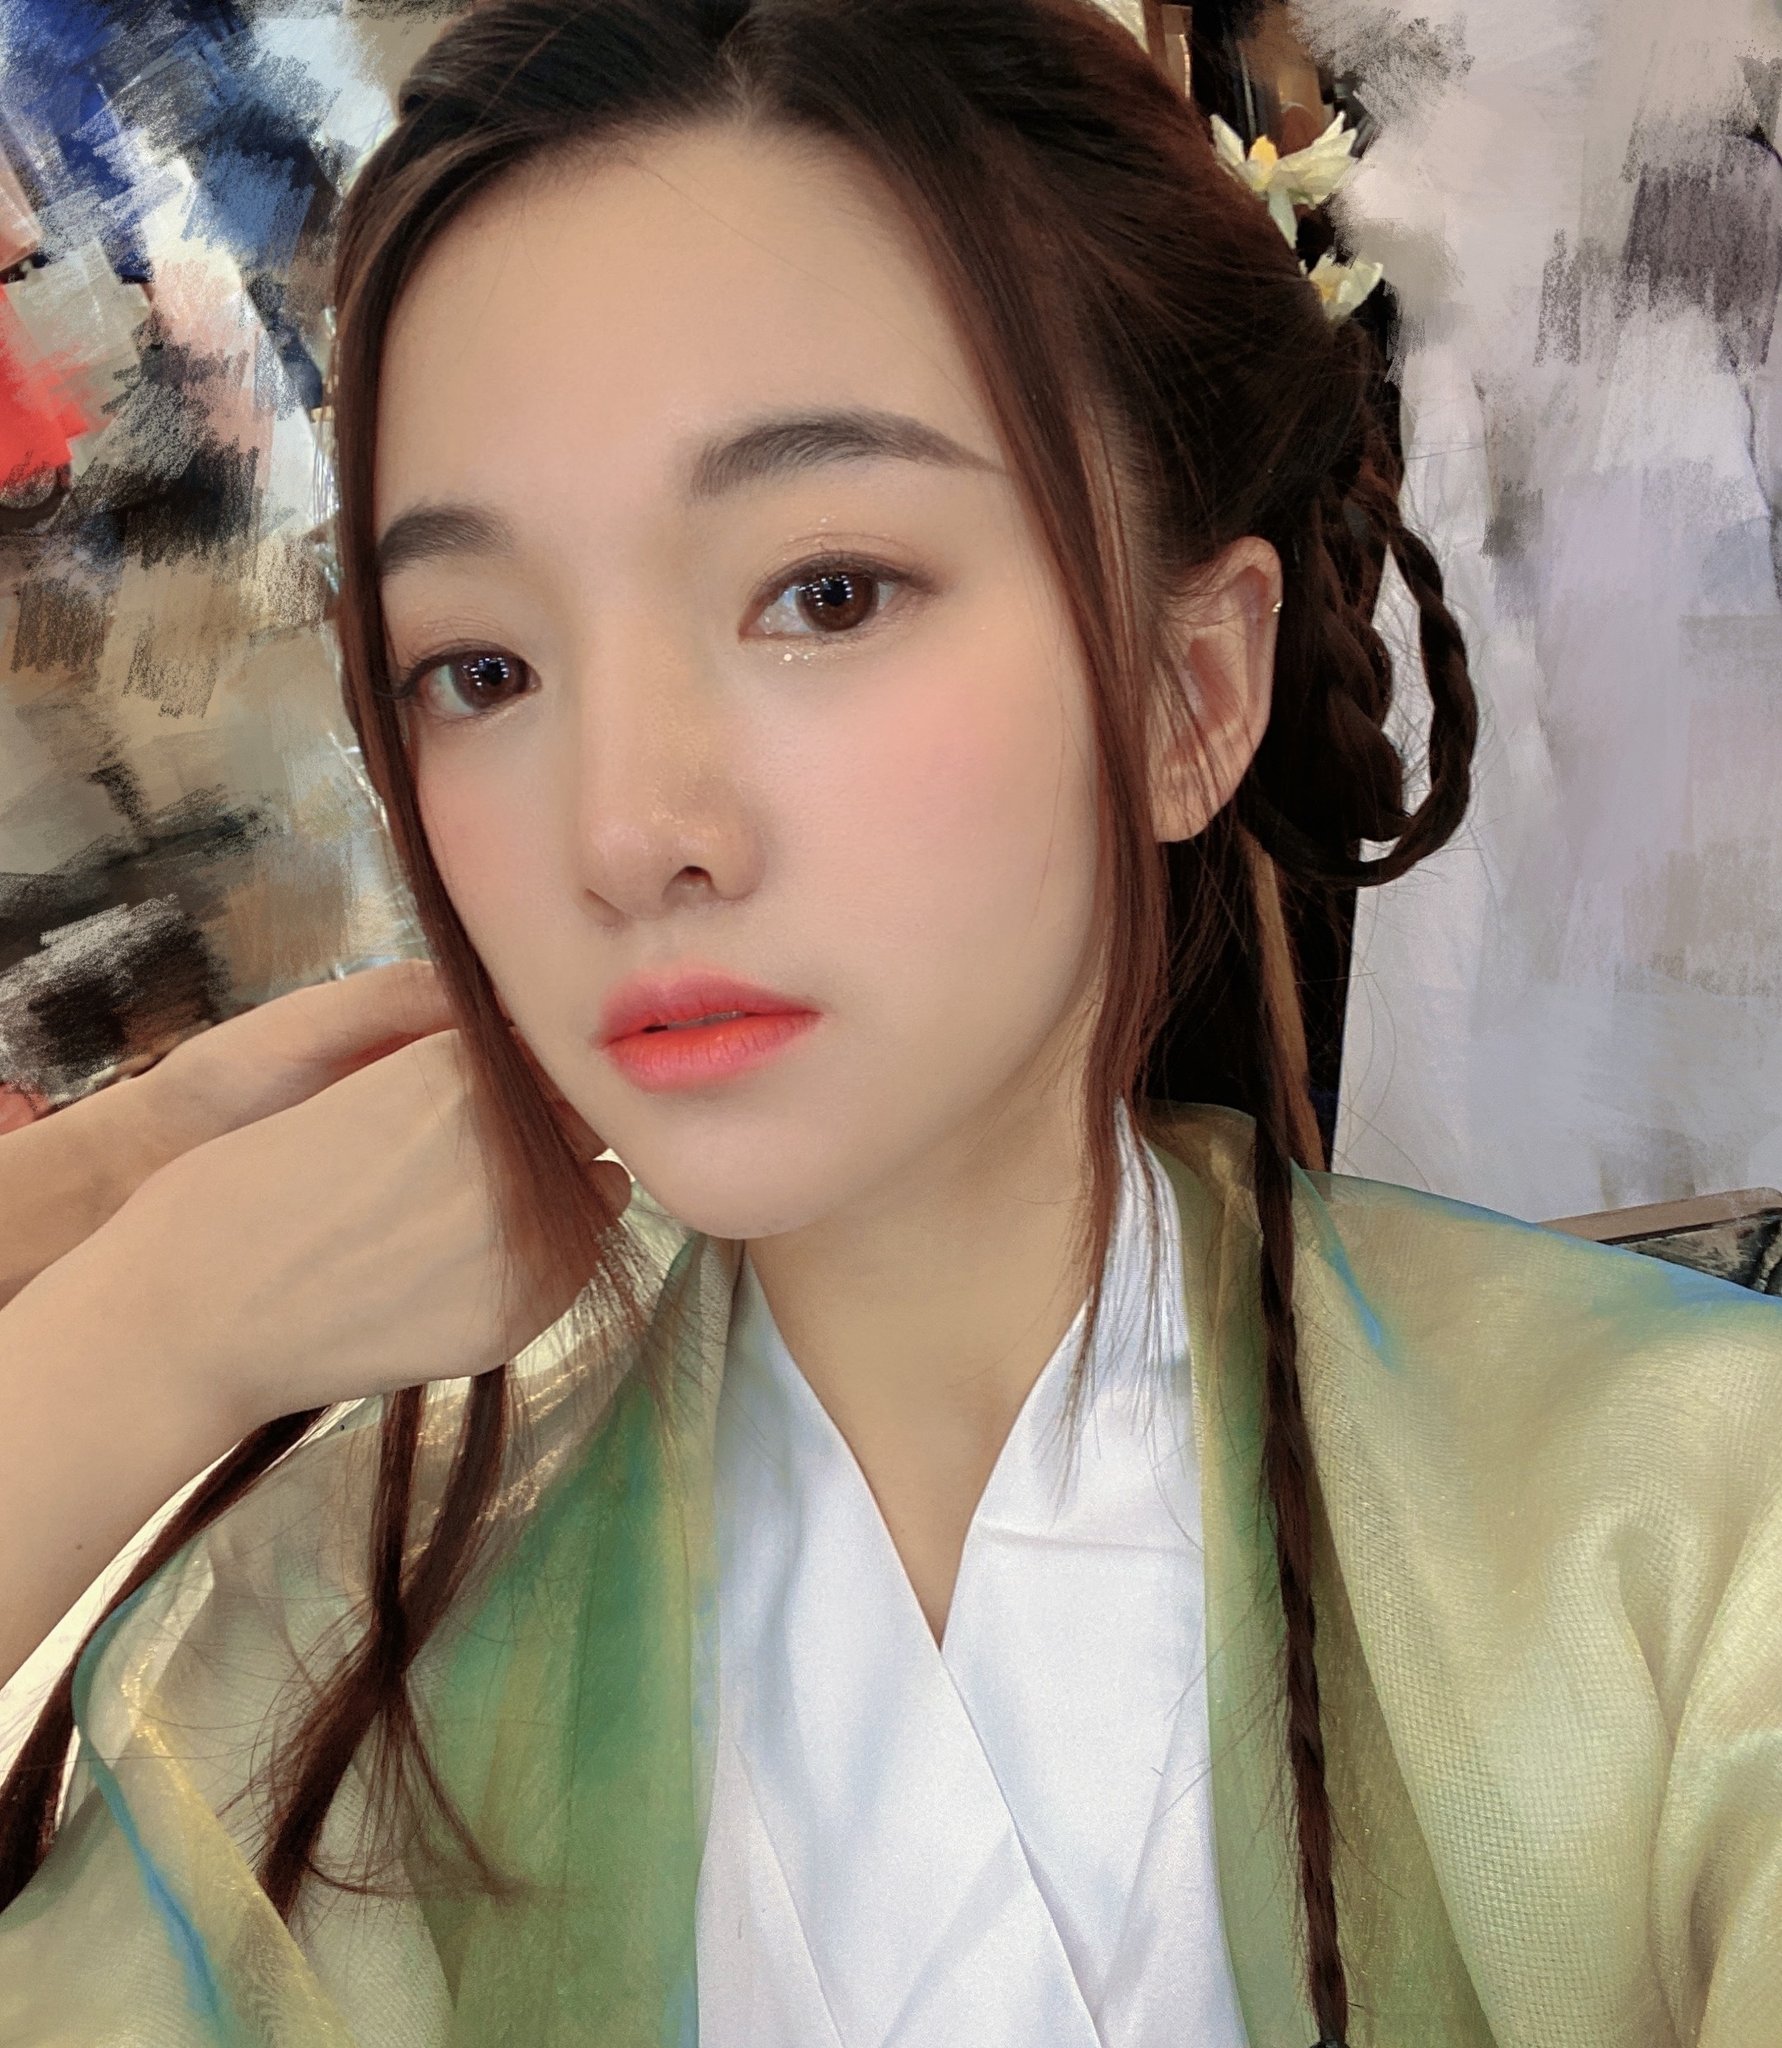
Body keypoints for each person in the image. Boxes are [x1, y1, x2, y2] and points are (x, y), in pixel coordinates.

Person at [0, 0, 1778, 2042]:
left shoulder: (1689, 1523)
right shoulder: (323, 1629)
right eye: (481, 668)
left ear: (1189, 691)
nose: (628, 834)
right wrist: (144, 1323)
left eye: (825, 592)